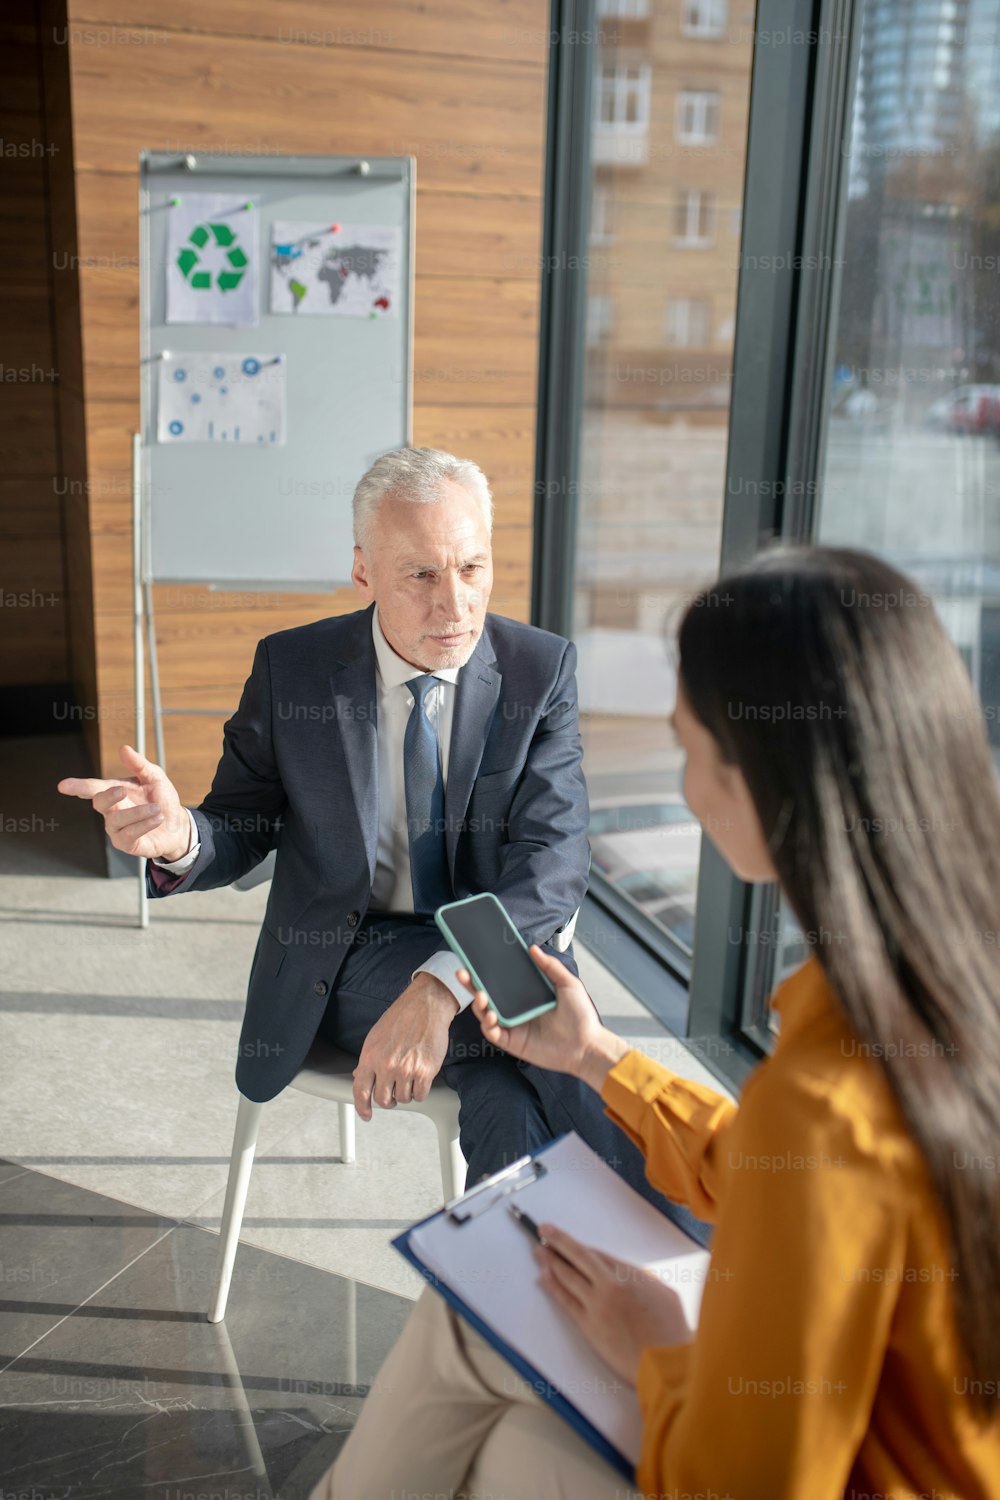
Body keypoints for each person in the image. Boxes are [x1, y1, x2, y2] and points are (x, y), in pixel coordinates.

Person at [310, 544, 1000, 1499]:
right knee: (500, 1430)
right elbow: (796, 1170)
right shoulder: (945, 981)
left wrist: (655, 1350)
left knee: (478, 1361)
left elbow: (748, 1481)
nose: (683, 789)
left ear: (765, 777)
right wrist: (599, 1059)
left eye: (690, 749)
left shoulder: (827, 1085)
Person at [57, 446, 686, 1215]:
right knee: (554, 1037)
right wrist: (181, 835)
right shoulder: (294, 670)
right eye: (420, 574)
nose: (453, 605)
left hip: (492, 943)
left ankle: (532, 1303)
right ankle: (710, 1263)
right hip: (352, 951)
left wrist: (442, 987)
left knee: (502, 1098)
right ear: (364, 572)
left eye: (471, 569)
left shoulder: (537, 669)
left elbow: (552, 867)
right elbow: (242, 825)